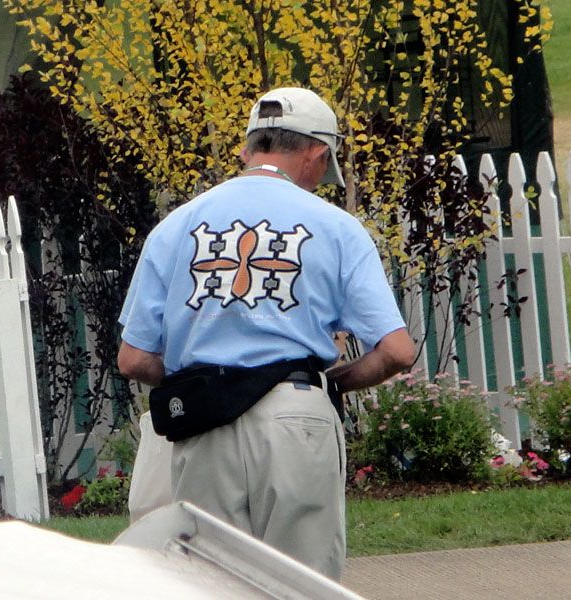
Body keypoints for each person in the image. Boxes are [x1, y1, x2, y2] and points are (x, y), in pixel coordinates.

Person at [117, 86, 414, 580]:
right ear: (316, 154)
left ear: (247, 149)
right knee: (301, 582)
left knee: (212, 582)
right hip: (296, 418)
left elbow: (133, 358)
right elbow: (397, 351)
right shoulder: (336, 227)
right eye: (324, 167)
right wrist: (333, 382)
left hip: (204, 423)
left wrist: (206, 379)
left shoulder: (175, 227)